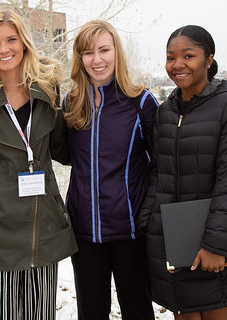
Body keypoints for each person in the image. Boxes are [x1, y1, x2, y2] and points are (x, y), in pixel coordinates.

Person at [0, 7, 77, 320]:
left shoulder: (47, 89)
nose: (4, 49)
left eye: (11, 39)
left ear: (24, 42)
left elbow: (62, 148)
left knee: (40, 315)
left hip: (41, 224)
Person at [138, 25, 227, 318]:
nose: (177, 65)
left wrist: (215, 245)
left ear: (208, 60)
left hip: (212, 242)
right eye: (170, 57)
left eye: (188, 56)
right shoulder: (165, 112)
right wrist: (149, 222)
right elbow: (158, 173)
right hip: (174, 238)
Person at [62, 20, 157, 319]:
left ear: (117, 51)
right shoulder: (71, 103)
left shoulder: (141, 101)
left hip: (130, 230)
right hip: (85, 232)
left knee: (137, 309)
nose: (97, 59)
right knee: (90, 311)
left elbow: (163, 164)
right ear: (80, 58)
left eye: (104, 50)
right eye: (88, 53)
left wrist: (148, 214)